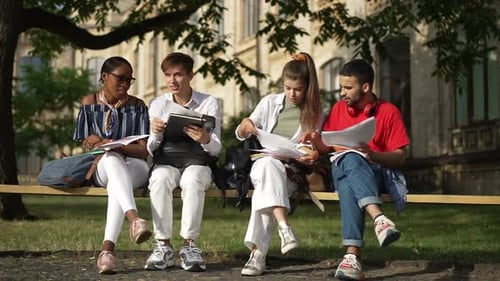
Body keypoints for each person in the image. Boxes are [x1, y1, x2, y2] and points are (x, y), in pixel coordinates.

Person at [309, 59, 410, 280]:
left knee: (348, 180)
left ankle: (352, 257)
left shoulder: (388, 111)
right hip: (345, 166)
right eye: (341, 87)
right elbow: (327, 147)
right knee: (349, 161)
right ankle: (379, 219)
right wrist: (316, 142)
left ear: (365, 87)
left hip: (377, 172)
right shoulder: (337, 109)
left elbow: (401, 157)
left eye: (348, 87)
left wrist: (372, 154)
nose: (342, 93)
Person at [235, 52, 323, 276]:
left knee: (266, 188)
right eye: (287, 88)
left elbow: (310, 148)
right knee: (268, 166)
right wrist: (245, 127)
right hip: (263, 164)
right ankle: (284, 228)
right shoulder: (269, 102)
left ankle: (257, 255)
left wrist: (310, 154)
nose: (292, 94)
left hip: (291, 172)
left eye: (297, 89)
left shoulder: (314, 113)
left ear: (307, 87)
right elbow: (244, 129)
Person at [73, 56, 152, 274]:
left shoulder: (138, 106)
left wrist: (115, 145)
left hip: (136, 166)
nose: (125, 84)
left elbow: (143, 149)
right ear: (104, 76)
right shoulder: (89, 102)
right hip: (101, 166)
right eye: (120, 78)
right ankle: (134, 220)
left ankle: (107, 253)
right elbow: (87, 143)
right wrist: (105, 145)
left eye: (129, 79)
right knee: (111, 159)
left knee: (118, 182)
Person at [144, 52, 222, 272]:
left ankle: (190, 245)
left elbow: (216, 149)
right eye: (168, 75)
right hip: (167, 160)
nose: (172, 81)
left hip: (197, 161)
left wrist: (205, 138)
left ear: (190, 75)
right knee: (159, 179)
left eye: (178, 75)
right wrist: (156, 133)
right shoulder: (158, 103)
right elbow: (150, 148)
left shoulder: (209, 103)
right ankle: (163, 246)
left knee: (193, 178)